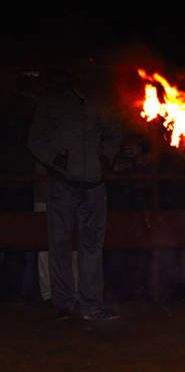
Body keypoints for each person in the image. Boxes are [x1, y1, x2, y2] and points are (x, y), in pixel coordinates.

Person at [27, 53, 122, 321]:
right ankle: (64, 305)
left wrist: (105, 158)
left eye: (90, 71)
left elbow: (115, 133)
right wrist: (55, 159)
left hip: (93, 185)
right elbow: (35, 140)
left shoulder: (101, 104)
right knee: (60, 244)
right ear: (73, 75)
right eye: (81, 71)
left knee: (91, 246)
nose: (86, 77)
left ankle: (91, 304)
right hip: (63, 185)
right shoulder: (53, 104)